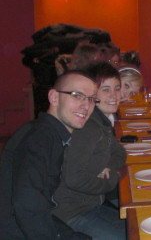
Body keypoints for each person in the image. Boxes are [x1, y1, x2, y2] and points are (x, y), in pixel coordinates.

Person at [0, 71, 98, 239]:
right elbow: (25, 206)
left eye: (91, 99)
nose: (86, 106)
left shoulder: (49, 134)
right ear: (54, 98)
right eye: (77, 96)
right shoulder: (39, 138)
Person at [52, 62, 127, 240]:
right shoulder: (88, 127)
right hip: (72, 214)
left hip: (93, 204)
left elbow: (120, 153)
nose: (114, 95)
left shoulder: (102, 122)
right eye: (106, 89)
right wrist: (112, 180)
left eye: (117, 88)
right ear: (93, 94)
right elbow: (73, 177)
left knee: (136, 228)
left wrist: (108, 167)